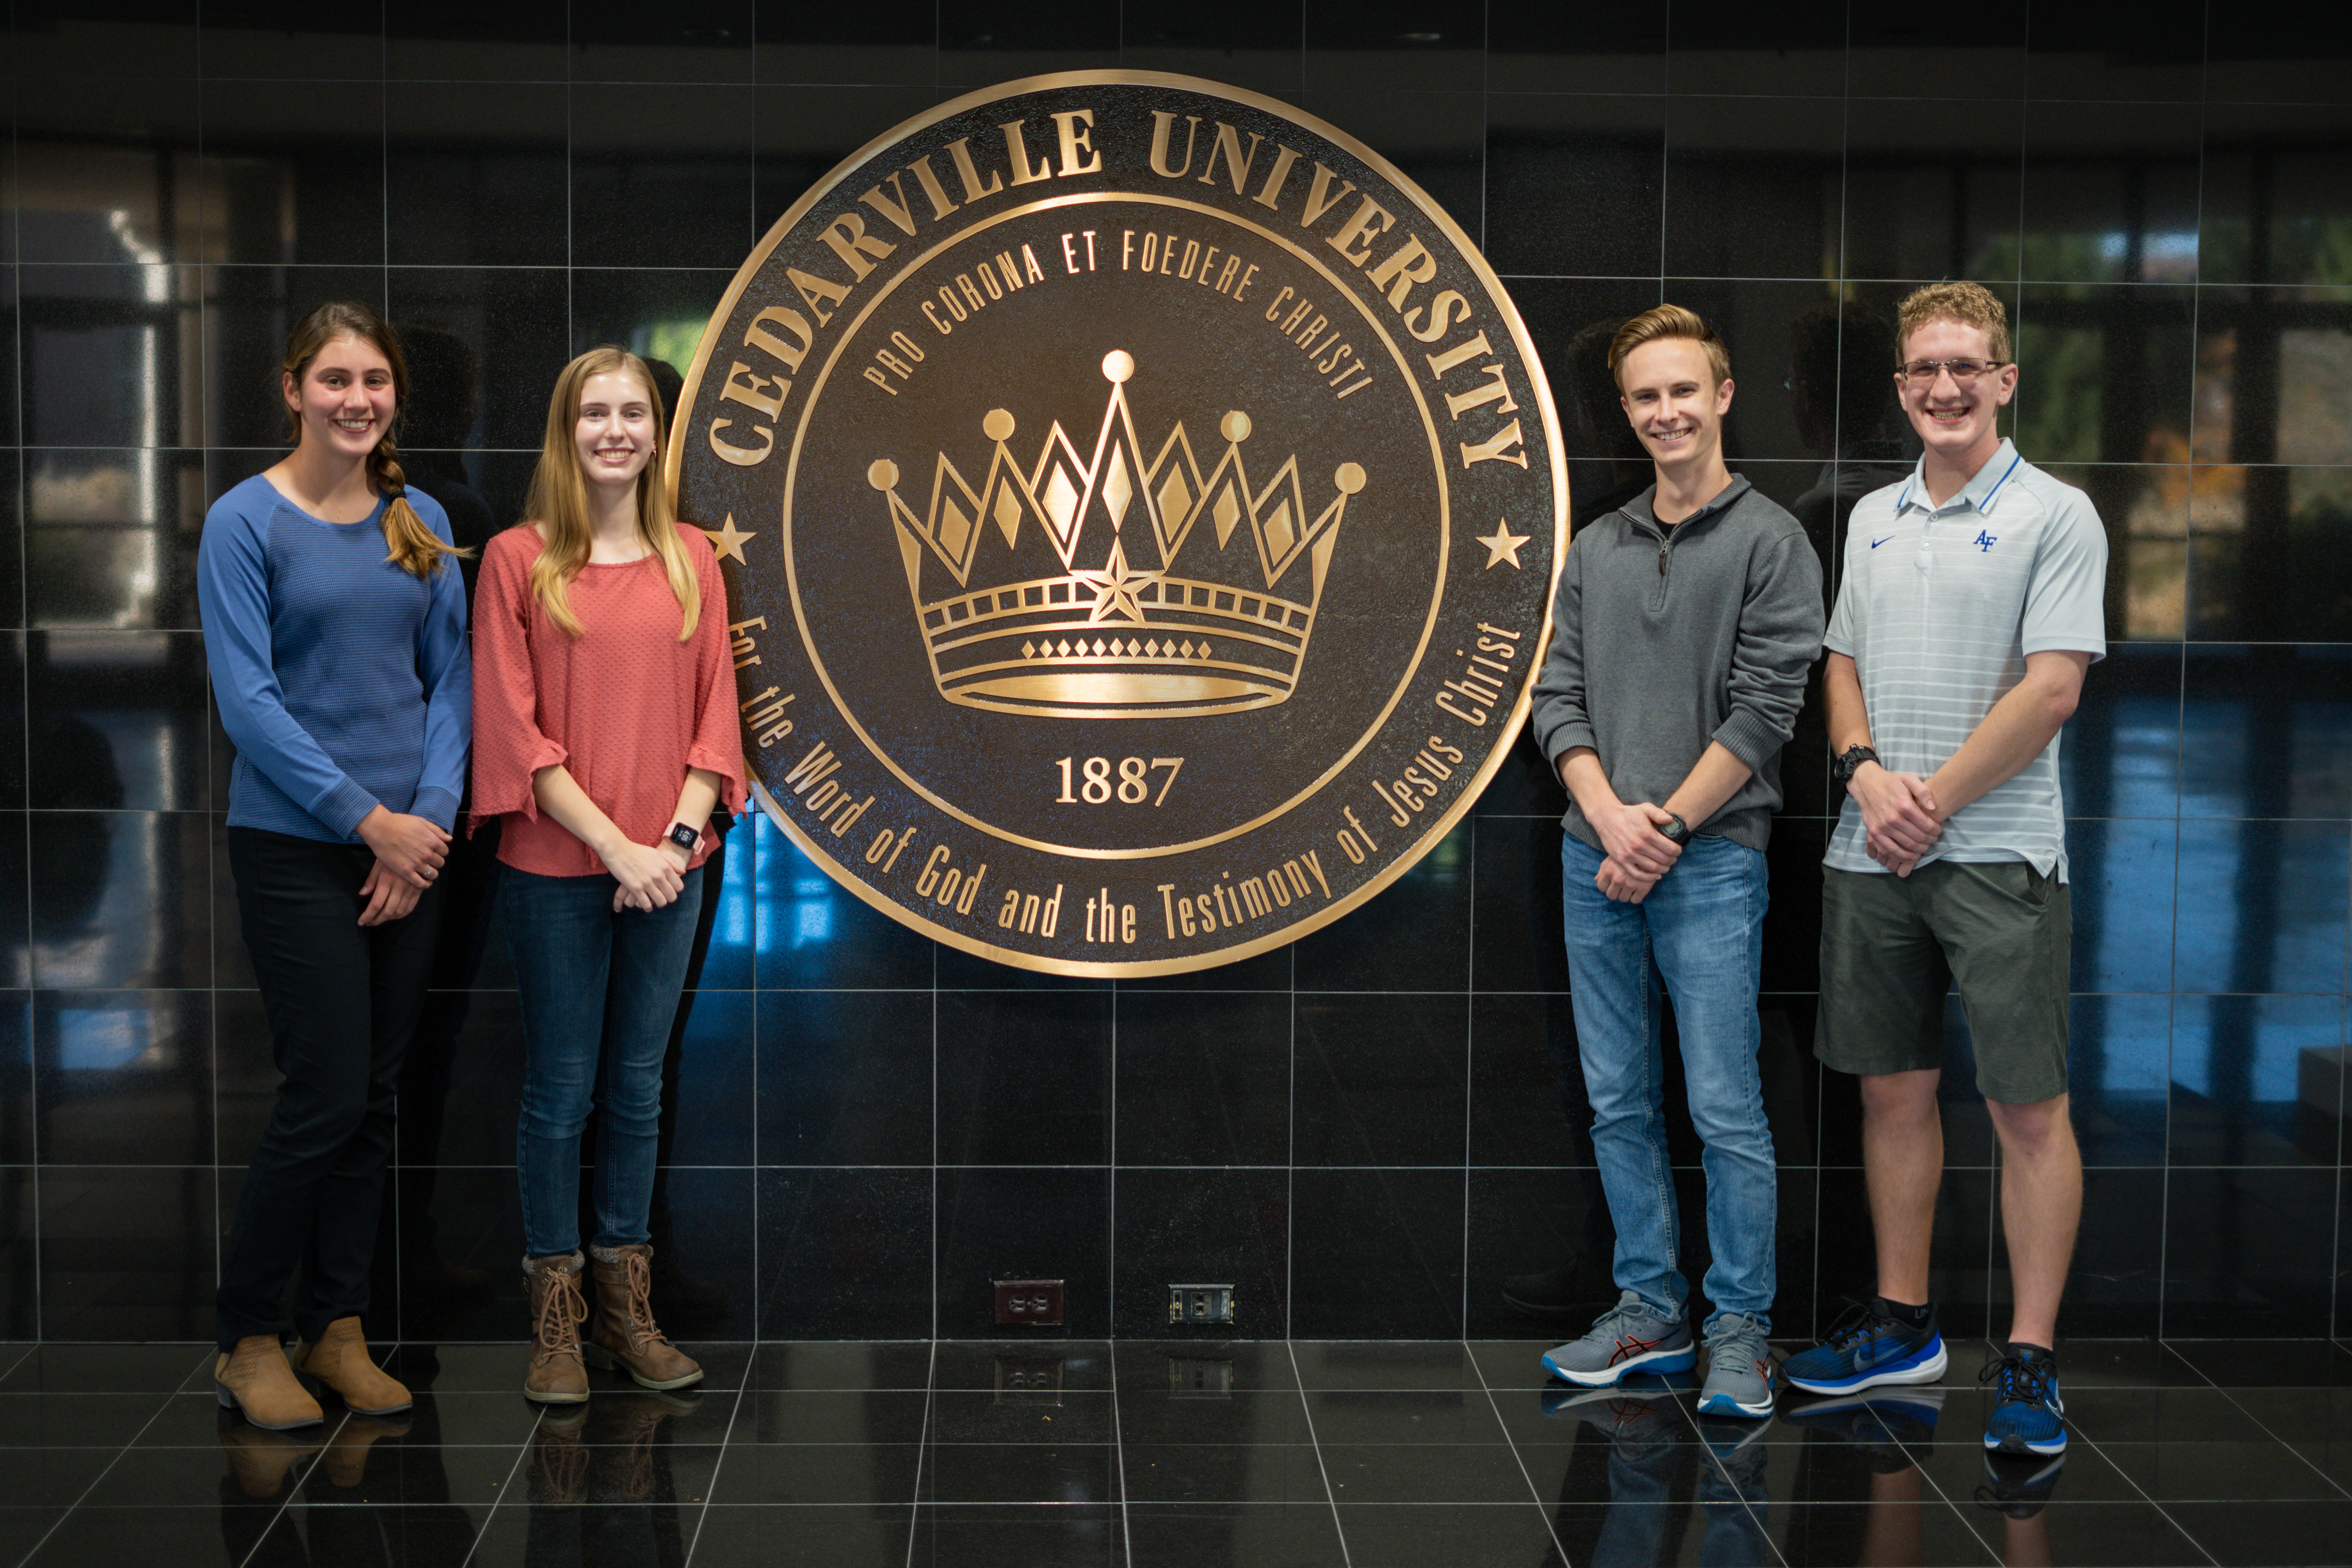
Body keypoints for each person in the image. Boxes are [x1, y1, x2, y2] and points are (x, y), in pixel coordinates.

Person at [1783, 281, 2107, 1460]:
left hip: (1999, 853)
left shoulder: (2056, 515)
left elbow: (2053, 688)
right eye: (1923, 368)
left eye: (1966, 366)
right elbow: (1840, 665)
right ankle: (1904, 1325)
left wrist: (1932, 802)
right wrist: (1868, 776)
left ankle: (2027, 1360)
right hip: (1871, 849)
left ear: (2004, 380)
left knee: (2028, 1107)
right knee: (1889, 1092)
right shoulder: (1870, 516)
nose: (1943, 387)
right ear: (1902, 384)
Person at [1530, 305, 1825, 1419]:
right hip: (1590, 857)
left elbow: (1765, 711)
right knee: (1616, 1100)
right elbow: (1553, 697)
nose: (1665, 412)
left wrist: (1660, 835)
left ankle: (1740, 1328)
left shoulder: (1769, 541)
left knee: (1723, 1104)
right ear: (1629, 410)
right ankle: (1649, 1308)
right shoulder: (1596, 546)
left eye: (1682, 392)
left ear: (1722, 394)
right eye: (1645, 397)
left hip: (1710, 866)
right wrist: (1608, 818)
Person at [200, 301, 472, 1430]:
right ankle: (248, 1337)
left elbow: (451, 685)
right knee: (320, 1092)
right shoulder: (242, 522)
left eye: (376, 381)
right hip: (297, 846)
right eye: (335, 380)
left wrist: (428, 824)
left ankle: (340, 1326)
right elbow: (248, 702)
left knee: (373, 1099)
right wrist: (371, 824)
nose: (356, 399)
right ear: (292, 387)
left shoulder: (418, 515)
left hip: (414, 849)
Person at [471, 346, 745, 1403]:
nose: (616, 430)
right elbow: (513, 731)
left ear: (656, 434)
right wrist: (617, 851)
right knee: (559, 1094)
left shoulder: (691, 559)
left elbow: (717, 721)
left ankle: (629, 1314)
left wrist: (668, 849)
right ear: (566, 429)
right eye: (596, 413)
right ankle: (556, 1326)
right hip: (553, 872)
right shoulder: (517, 560)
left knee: (635, 1091)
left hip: (667, 874)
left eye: (635, 412)